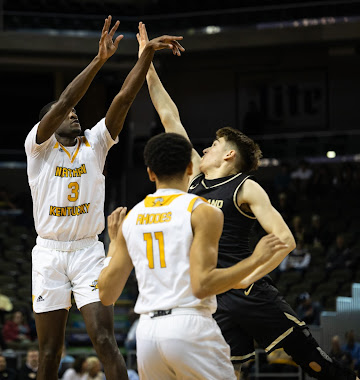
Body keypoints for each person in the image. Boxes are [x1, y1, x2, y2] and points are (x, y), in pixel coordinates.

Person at [136, 21, 359, 380]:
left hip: (250, 291)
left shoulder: (246, 186)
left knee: (318, 365)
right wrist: (145, 62)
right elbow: (168, 114)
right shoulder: (192, 177)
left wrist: (249, 276)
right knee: (228, 373)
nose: (205, 147)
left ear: (228, 157)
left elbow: (285, 240)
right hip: (213, 297)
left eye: (214, 145)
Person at [25, 15, 183, 380]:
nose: (74, 114)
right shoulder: (38, 148)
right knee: (49, 352)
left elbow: (125, 97)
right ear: (48, 123)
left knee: (106, 341)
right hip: (48, 253)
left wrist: (145, 57)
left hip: (87, 251)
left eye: (77, 112)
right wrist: (99, 60)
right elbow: (66, 99)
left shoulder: (95, 143)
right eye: (66, 114)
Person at [98, 132, 282, 379]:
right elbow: (202, 285)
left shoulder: (133, 218)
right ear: (189, 168)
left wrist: (113, 246)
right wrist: (256, 259)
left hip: (147, 333)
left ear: (151, 173)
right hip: (189, 325)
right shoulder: (203, 212)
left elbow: (106, 294)